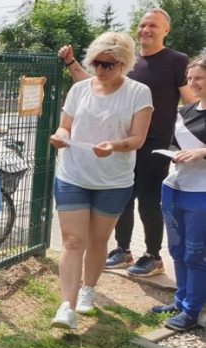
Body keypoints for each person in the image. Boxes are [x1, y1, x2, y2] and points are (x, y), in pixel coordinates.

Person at [58, 8, 196, 277]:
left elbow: (191, 101)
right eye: (143, 24)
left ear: (166, 30)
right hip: (119, 142)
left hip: (154, 143)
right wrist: (71, 63)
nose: (146, 29)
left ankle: (153, 256)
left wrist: (193, 140)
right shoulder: (126, 62)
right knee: (123, 199)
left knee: (148, 200)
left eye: (153, 25)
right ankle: (122, 250)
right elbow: (93, 85)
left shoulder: (177, 61)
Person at [50, 32, 153, 330]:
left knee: (97, 240)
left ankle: (89, 288)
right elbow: (64, 126)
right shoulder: (80, 89)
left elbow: (138, 138)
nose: (101, 70)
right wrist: (61, 137)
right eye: (96, 62)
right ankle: (66, 306)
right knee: (72, 241)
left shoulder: (138, 92)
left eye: (108, 64)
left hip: (113, 180)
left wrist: (114, 146)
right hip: (73, 174)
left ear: (123, 63)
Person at [151, 56, 206, 331]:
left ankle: (192, 311)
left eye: (199, 78)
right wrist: (175, 155)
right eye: (190, 77)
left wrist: (203, 152)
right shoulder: (185, 112)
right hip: (174, 188)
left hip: (201, 194)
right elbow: (174, 142)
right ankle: (181, 299)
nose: (193, 83)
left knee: (195, 254)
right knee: (177, 249)